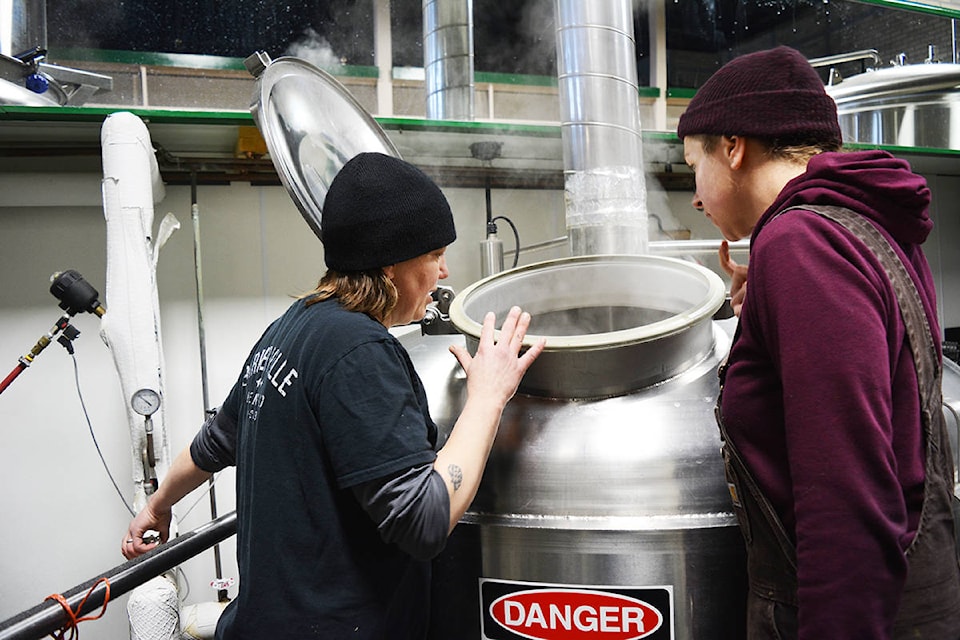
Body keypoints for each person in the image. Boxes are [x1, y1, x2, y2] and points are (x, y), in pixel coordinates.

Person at [120, 152, 545, 639]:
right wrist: (488, 397)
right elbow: (423, 520)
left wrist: (158, 504)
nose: (443, 272)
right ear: (391, 264)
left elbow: (215, 443)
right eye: (433, 255)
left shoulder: (288, 329)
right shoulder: (360, 350)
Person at [677, 46, 960, 639]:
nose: (697, 198)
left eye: (692, 168)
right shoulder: (870, 224)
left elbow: (845, 491)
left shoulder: (800, 243)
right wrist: (767, 318)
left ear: (733, 147)